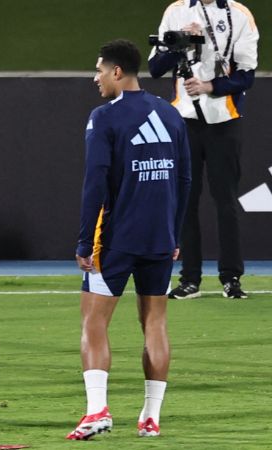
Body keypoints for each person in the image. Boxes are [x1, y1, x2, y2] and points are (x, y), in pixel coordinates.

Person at [68, 40, 191, 440]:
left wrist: (85, 243)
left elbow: (95, 184)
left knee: (94, 321)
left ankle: (96, 411)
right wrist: (174, 232)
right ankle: (151, 417)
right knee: (155, 323)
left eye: (99, 70)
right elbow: (185, 179)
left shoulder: (104, 117)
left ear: (117, 72)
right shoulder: (170, 114)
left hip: (116, 238)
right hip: (159, 237)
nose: (96, 78)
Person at [149, 0, 259, 299]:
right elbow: (155, 68)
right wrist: (179, 44)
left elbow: (247, 74)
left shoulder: (239, 14)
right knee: (186, 200)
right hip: (185, 120)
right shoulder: (176, 11)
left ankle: (231, 277)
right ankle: (190, 279)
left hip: (224, 120)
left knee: (226, 201)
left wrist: (210, 86)